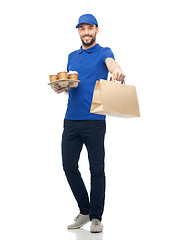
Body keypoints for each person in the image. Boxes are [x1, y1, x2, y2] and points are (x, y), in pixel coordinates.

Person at [54, 14, 125, 233]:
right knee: (68, 166)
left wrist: (116, 71)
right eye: (82, 29)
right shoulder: (72, 56)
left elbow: (111, 64)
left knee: (97, 170)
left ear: (96, 30)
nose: (86, 32)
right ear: (78, 31)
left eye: (90, 28)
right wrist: (62, 87)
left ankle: (96, 217)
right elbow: (71, 85)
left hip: (95, 120)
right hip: (71, 120)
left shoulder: (104, 52)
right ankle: (84, 210)